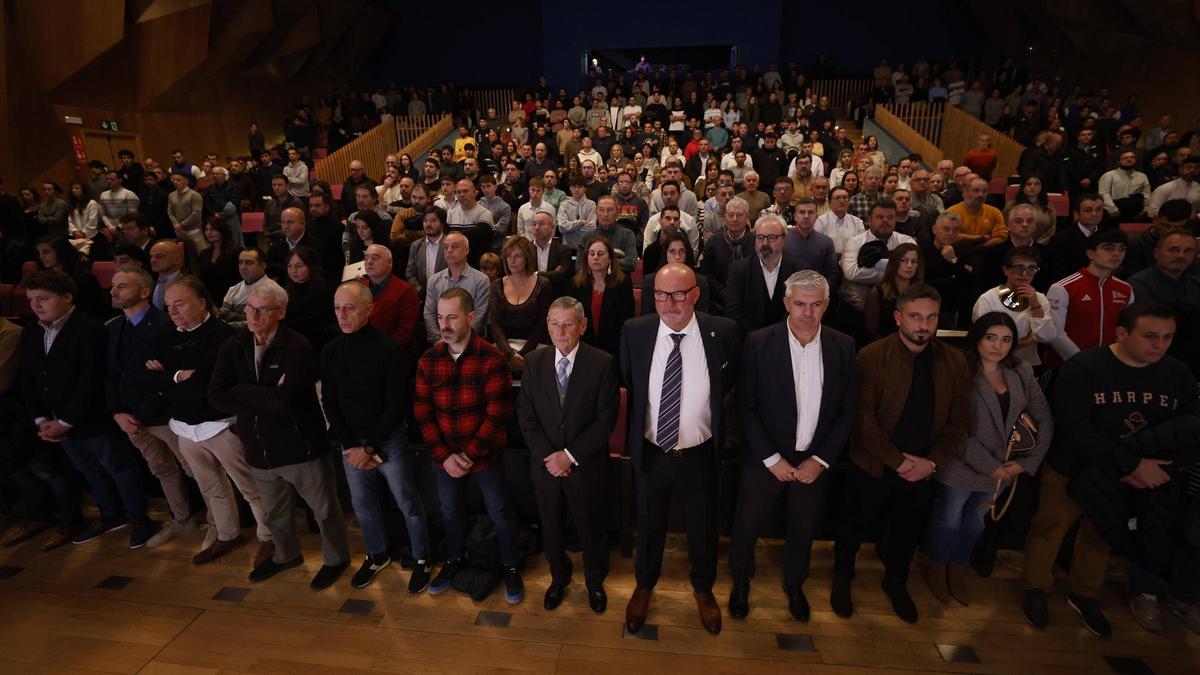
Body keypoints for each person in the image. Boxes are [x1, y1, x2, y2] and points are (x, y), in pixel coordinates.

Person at [1022, 303, 1197, 638]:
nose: (1159, 344)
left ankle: (1084, 594)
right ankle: (1035, 588)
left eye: (1168, 337)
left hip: (1130, 476)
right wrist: (1132, 464)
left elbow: (1190, 428)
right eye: (1150, 336)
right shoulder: (1084, 366)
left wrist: (1159, 468)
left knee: (1102, 535)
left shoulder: (1178, 374)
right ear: (1122, 333)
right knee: (1050, 527)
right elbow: (1075, 426)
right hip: (1074, 467)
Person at [831, 283, 971, 623]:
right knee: (853, 526)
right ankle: (842, 577)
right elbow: (863, 421)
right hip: (874, 464)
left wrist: (931, 463)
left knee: (907, 531)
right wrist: (898, 461)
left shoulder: (954, 361)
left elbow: (959, 422)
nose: (923, 325)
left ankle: (896, 582)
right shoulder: (871, 356)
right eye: (915, 316)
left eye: (931, 317)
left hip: (923, 468)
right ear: (898, 317)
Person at [728, 271, 856, 623]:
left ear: (827, 305)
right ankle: (740, 581)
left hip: (813, 459)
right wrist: (771, 459)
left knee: (804, 526)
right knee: (747, 524)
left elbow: (847, 410)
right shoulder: (758, 342)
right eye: (800, 303)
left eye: (816, 305)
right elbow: (746, 406)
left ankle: (795, 583)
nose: (808, 313)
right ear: (787, 303)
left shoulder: (843, 346)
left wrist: (821, 460)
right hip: (765, 458)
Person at [620, 263, 739, 635]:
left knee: (703, 526)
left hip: (700, 453)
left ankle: (703, 590)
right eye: (660, 294)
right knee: (649, 522)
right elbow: (630, 382)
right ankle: (644, 585)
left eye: (678, 294)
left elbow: (729, 388)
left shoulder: (723, 332)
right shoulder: (635, 331)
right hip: (653, 451)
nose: (668, 303)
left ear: (696, 295)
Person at [209, 282, 351, 589]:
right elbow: (216, 395)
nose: (253, 315)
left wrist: (239, 391)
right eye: (249, 308)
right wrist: (260, 393)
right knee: (275, 513)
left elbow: (284, 400)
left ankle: (336, 559)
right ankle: (286, 556)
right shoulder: (233, 345)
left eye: (262, 310)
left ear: (281, 312)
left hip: (301, 446)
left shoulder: (297, 346)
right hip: (259, 448)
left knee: (324, 510)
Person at [922, 312, 1052, 606]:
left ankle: (958, 567)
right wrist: (989, 466)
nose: (998, 346)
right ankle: (937, 567)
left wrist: (1025, 463)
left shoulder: (1021, 371)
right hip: (962, 464)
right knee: (949, 518)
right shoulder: (959, 369)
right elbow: (951, 426)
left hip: (1005, 467)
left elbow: (1043, 417)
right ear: (977, 338)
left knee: (975, 523)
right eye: (990, 338)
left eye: (1006, 339)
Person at [20, 270, 155, 547]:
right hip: (56, 421)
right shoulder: (32, 331)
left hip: (92, 418)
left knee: (119, 468)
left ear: (67, 297)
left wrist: (66, 422)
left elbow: (91, 380)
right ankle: (110, 515)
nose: (36, 305)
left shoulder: (89, 328)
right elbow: (29, 378)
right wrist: (41, 419)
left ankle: (139, 520)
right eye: (31, 299)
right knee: (88, 469)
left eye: (43, 298)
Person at [150, 276, 274, 566]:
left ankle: (269, 537)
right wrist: (178, 377)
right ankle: (228, 535)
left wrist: (166, 377)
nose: (172, 311)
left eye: (179, 304)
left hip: (221, 425)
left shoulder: (222, 335)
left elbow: (204, 385)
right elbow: (144, 379)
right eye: (168, 305)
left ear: (202, 303)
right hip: (184, 427)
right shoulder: (166, 335)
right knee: (210, 487)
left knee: (250, 487)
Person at [415, 287, 524, 603]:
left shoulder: (492, 358)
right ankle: (454, 560)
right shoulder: (428, 360)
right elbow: (423, 413)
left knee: (500, 511)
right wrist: (445, 456)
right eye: (440, 317)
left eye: (452, 317)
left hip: (485, 454)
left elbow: (498, 413)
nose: (444, 325)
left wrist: (468, 455)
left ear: (471, 317)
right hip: (445, 457)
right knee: (450, 513)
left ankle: (510, 565)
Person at [322, 282, 431, 591]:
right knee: (363, 505)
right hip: (352, 444)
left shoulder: (390, 350)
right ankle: (377, 554)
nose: (342, 315)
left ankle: (422, 558)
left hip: (387, 439)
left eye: (350, 308)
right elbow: (330, 403)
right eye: (337, 308)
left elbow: (397, 405)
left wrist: (369, 448)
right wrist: (351, 446)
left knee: (407, 501)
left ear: (369, 310)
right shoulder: (331, 351)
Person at [516, 296, 619, 613]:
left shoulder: (602, 363)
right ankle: (558, 577)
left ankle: (595, 581)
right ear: (547, 326)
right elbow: (526, 417)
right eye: (554, 324)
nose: (560, 331)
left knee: (590, 526)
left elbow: (605, 421)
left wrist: (569, 456)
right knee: (550, 526)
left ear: (582, 326)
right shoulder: (533, 361)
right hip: (545, 465)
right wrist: (550, 457)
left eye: (568, 324)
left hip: (585, 465)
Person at [105, 267, 197, 548]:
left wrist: (140, 414)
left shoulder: (164, 325)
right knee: (161, 469)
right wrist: (117, 413)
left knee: (193, 468)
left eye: (122, 286)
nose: (113, 291)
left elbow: (169, 374)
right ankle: (182, 519)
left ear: (144, 291)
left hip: (162, 414)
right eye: (113, 286)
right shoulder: (114, 326)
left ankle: (220, 522)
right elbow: (110, 375)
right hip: (130, 418)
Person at [1046, 228, 1133, 367]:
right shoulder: (1063, 287)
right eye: (1108, 248)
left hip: (1109, 366)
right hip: (1066, 367)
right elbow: (1055, 333)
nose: (1117, 253)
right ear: (1091, 254)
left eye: (1122, 249)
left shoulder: (1126, 289)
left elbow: (1127, 329)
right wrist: (1084, 362)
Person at [1128, 229, 1200, 373]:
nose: (1181, 256)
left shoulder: (1196, 284)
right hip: (1155, 357)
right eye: (1174, 250)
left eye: (1188, 251)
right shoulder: (1138, 284)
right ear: (1156, 253)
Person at [972, 247, 1059, 365]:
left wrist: (1035, 304)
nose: (1024, 274)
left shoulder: (1039, 298)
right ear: (1005, 270)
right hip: (993, 362)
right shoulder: (988, 299)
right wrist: (1028, 340)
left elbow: (1047, 336)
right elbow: (984, 338)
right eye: (1018, 268)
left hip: (1028, 363)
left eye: (1031, 268)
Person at [725, 214, 800, 335]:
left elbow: (800, 309)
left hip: (789, 338)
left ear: (784, 240)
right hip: (750, 339)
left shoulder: (798, 271)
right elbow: (732, 311)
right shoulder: (739, 270)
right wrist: (758, 338)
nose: (764, 243)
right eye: (760, 237)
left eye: (771, 238)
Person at [489, 236, 552, 373]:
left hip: (535, 344)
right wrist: (509, 354)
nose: (512, 260)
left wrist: (523, 354)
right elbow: (495, 323)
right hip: (504, 345)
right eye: (509, 256)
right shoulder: (496, 285)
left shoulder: (543, 284)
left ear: (527, 258)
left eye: (518, 256)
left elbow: (542, 323)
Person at [571, 237, 635, 360]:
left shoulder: (623, 283)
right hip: (583, 349)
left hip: (614, 350)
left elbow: (626, 321)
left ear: (610, 259)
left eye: (600, 254)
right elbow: (574, 319)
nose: (595, 257)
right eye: (592, 254)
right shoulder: (576, 284)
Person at [421, 232, 490, 343]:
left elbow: (479, 316)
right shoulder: (434, 281)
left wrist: (460, 341)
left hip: (471, 342)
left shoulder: (481, 280)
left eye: (454, 246)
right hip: (441, 341)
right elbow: (429, 314)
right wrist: (440, 340)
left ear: (467, 250)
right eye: (446, 247)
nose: (449, 250)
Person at [701, 195, 755, 313]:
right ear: (725, 217)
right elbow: (706, 274)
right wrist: (722, 293)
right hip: (718, 301)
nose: (734, 219)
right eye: (730, 215)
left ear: (747, 218)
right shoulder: (714, 242)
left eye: (739, 215)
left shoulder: (756, 242)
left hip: (750, 300)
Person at [863, 243, 923, 342]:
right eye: (904, 260)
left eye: (914, 261)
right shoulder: (877, 292)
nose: (909, 265)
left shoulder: (922, 292)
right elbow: (871, 331)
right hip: (885, 345)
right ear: (894, 263)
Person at [282, 247, 334, 357]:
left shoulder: (321, 291)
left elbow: (314, 325)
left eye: (299, 266)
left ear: (310, 266)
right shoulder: (289, 288)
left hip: (313, 345)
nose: (293, 270)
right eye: (289, 266)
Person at [220, 248, 278, 323]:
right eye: (241, 262)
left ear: (262, 266)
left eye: (249, 263)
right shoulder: (233, 290)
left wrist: (232, 317)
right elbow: (222, 316)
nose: (243, 267)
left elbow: (260, 322)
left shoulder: (273, 290)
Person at [405, 206, 448, 298]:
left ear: (442, 224)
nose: (428, 224)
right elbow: (410, 273)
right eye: (425, 221)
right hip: (422, 295)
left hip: (446, 295)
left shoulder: (450, 245)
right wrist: (420, 290)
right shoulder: (416, 245)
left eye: (433, 221)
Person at [198, 216, 241, 302]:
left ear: (222, 230)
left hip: (231, 297)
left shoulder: (236, 252)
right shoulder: (204, 253)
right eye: (206, 229)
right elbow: (202, 278)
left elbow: (238, 279)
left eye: (213, 229)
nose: (209, 233)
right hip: (210, 297)